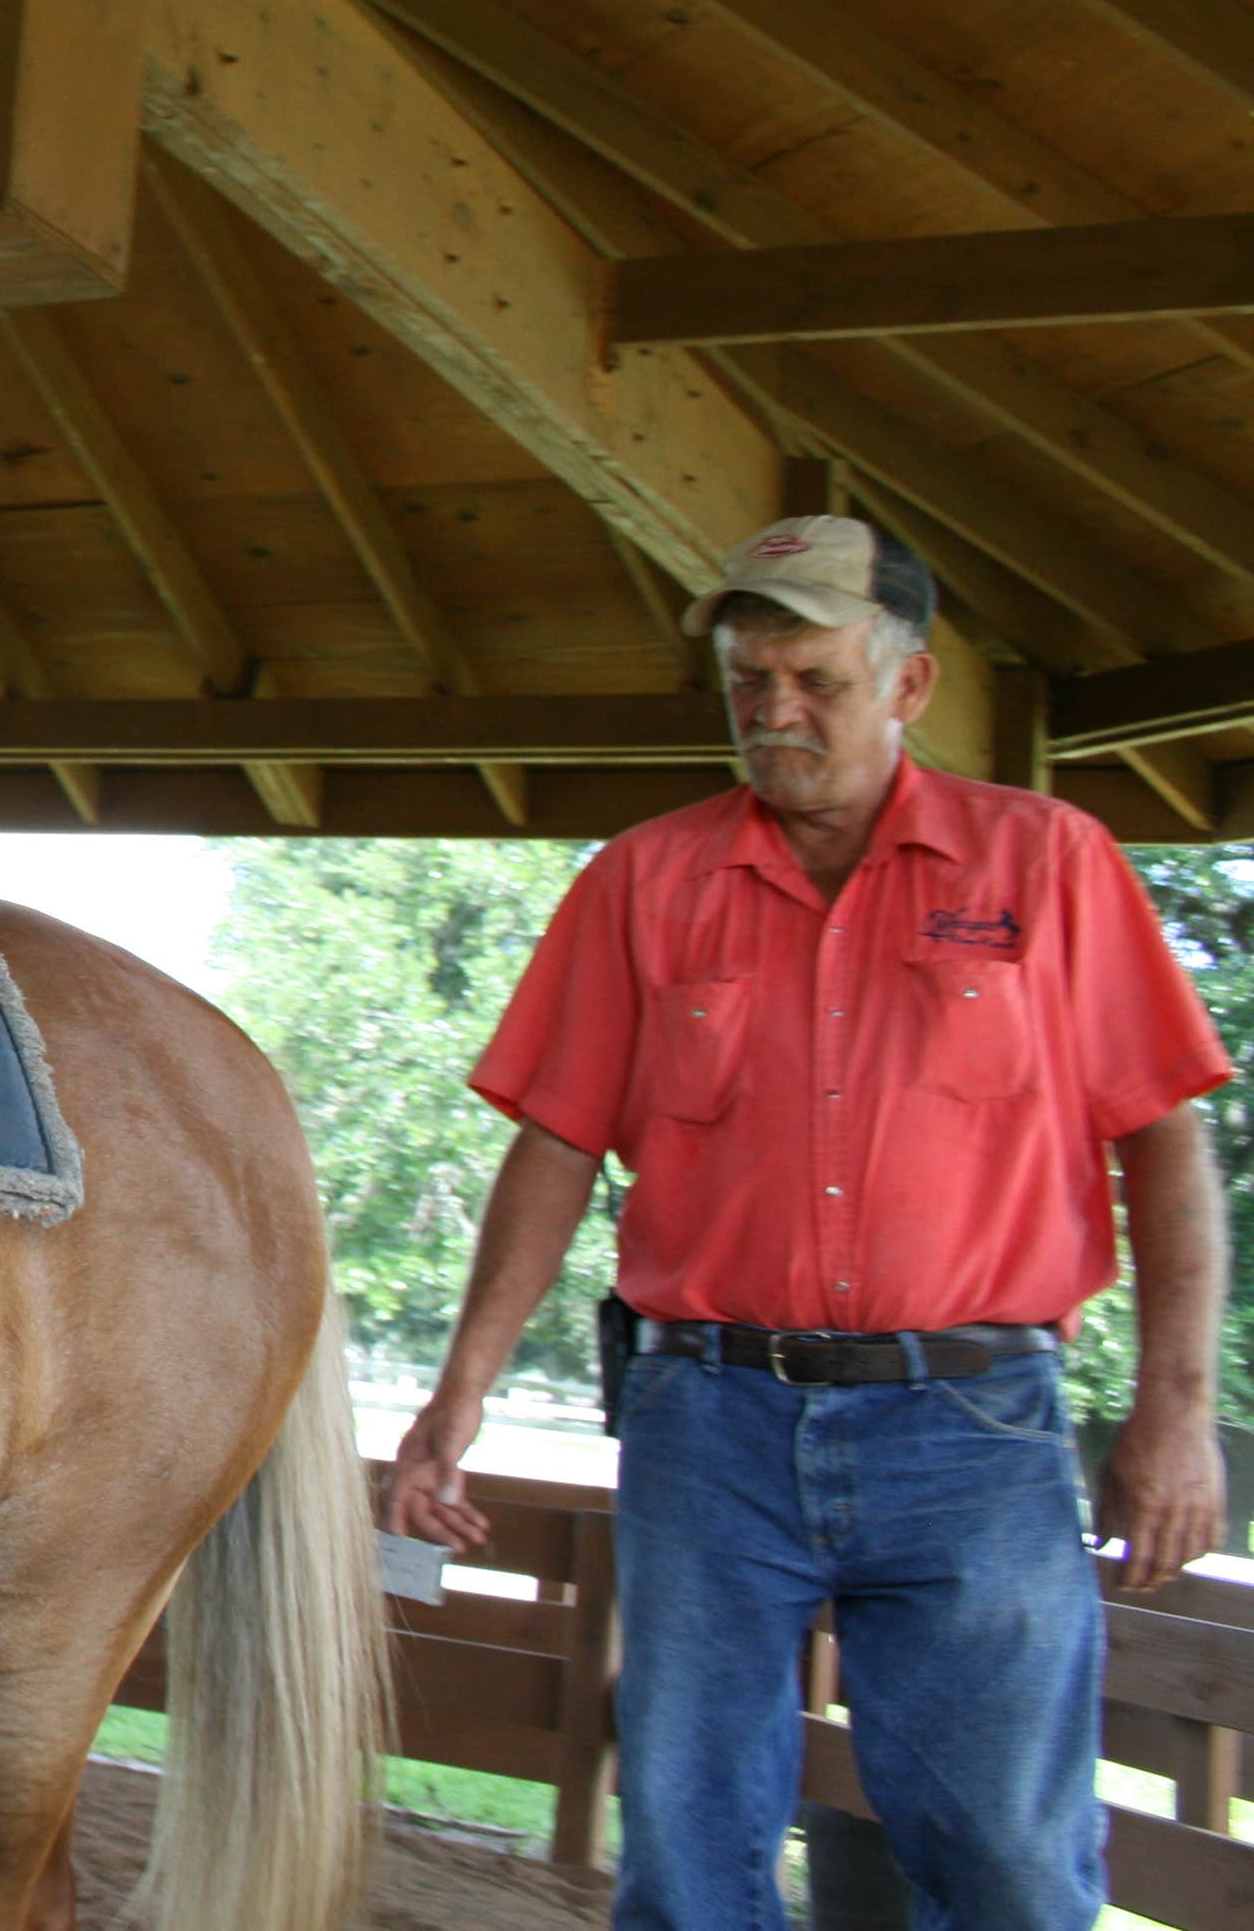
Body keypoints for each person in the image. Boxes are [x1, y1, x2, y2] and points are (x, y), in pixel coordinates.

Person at [383, 515, 1233, 1930]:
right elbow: (554, 1146)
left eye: (815, 682)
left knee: (1011, 1860)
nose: (774, 714)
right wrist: (454, 1397)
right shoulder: (644, 881)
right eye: (747, 683)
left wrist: (1177, 1409)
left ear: (909, 684)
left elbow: (1165, 1140)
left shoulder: (1051, 864)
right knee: (686, 1844)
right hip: (707, 1422)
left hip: (974, 1425)